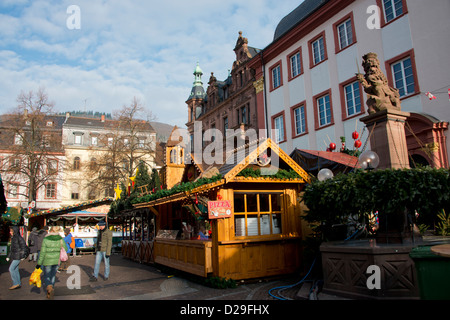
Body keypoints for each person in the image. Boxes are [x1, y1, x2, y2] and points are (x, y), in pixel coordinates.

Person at [35, 226, 68, 299]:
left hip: (47, 261)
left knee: (47, 276)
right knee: (53, 276)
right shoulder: (60, 239)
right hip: (56, 261)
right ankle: (51, 290)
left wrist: (39, 263)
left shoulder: (46, 239)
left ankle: (49, 287)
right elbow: (66, 248)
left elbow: (42, 252)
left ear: (51, 231)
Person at [7, 226, 29, 290]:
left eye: (11, 231)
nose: (10, 232)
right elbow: (12, 249)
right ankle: (18, 283)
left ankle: (15, 283)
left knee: (11, 269)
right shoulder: (14, 238)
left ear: (14, 231)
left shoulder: (18, 238)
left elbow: (23, 247)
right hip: (15, 256)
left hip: (18, 256)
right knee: (15, 269)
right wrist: (9, 256)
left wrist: (23, 256)